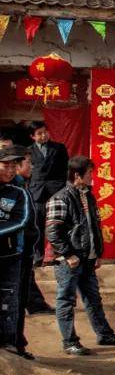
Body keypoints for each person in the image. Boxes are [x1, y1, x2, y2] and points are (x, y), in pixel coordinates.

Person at [46, 155, 115, 355]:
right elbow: (53, 232)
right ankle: (69, 341)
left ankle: (104, 334)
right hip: (69, 261)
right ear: (77, 175)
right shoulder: (60, 198)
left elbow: (94, 227)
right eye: (90, 173)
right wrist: (68, 254)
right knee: (66, 300)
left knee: (93, 298)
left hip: (87, 258)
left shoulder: (88, 196)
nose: (92, 176)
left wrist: (97, 253)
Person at [0, 147, 31, 355]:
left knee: (8, 299)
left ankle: (9, 342)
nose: (11, 170)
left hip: (10, 257)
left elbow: (21, 220)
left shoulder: (18, 193)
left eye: (14, 166)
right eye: (6, 165)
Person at [28, 121, 67, 270]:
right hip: (37, 192)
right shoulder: (28, 151)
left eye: (45, 132)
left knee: (57, 223)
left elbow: (65, 170)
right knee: (37, 224)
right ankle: (38, 257)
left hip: (55, 191)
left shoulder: (59, 148)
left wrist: (62, 187)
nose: (43, 135)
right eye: (39, 134)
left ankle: (58, 254)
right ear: (32, 136)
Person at [11, 146, 38, 358]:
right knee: (15, 299)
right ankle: (15, 341)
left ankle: (18, 339)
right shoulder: (14, 189)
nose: (32, 166)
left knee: (20, 298)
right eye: (29, 162)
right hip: (16, 253)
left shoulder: (23, 186)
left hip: (24, 252)